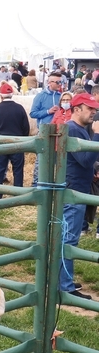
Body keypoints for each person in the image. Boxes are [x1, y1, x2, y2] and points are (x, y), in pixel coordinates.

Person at [59, 93, 99, 300]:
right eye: (89, 108)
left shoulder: (78, 129)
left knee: (67, 237)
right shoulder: (73, 129)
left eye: (94, 109)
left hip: (76, 187)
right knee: (69, 239)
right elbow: (84, 159)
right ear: (76, 109)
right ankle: (65, 287)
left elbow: (83, 161)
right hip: (73, 191)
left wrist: (94, 168)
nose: (94, 112)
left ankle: (62, 279)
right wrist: (98, 136)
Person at [0, 84, 31, 200]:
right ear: (12, 95)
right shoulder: (20, 108)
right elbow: (26, 128)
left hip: (1, 143)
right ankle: (17, 194)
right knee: (18, 169)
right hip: (17, 143)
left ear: (1, 95)